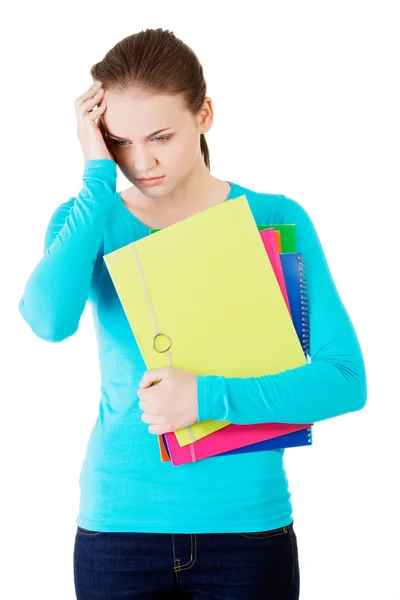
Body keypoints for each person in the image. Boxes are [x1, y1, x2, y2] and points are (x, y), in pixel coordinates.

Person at [18, 27, 367, 600]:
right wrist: (96, 181)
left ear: (204, 114)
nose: (142, 160)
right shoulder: (91, 215)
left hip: (247, 533)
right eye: (120, 141)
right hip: (118, 532)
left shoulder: (274, 218)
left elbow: (344, 380)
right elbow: (47, 321)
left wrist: (206, 397)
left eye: (160, 136)